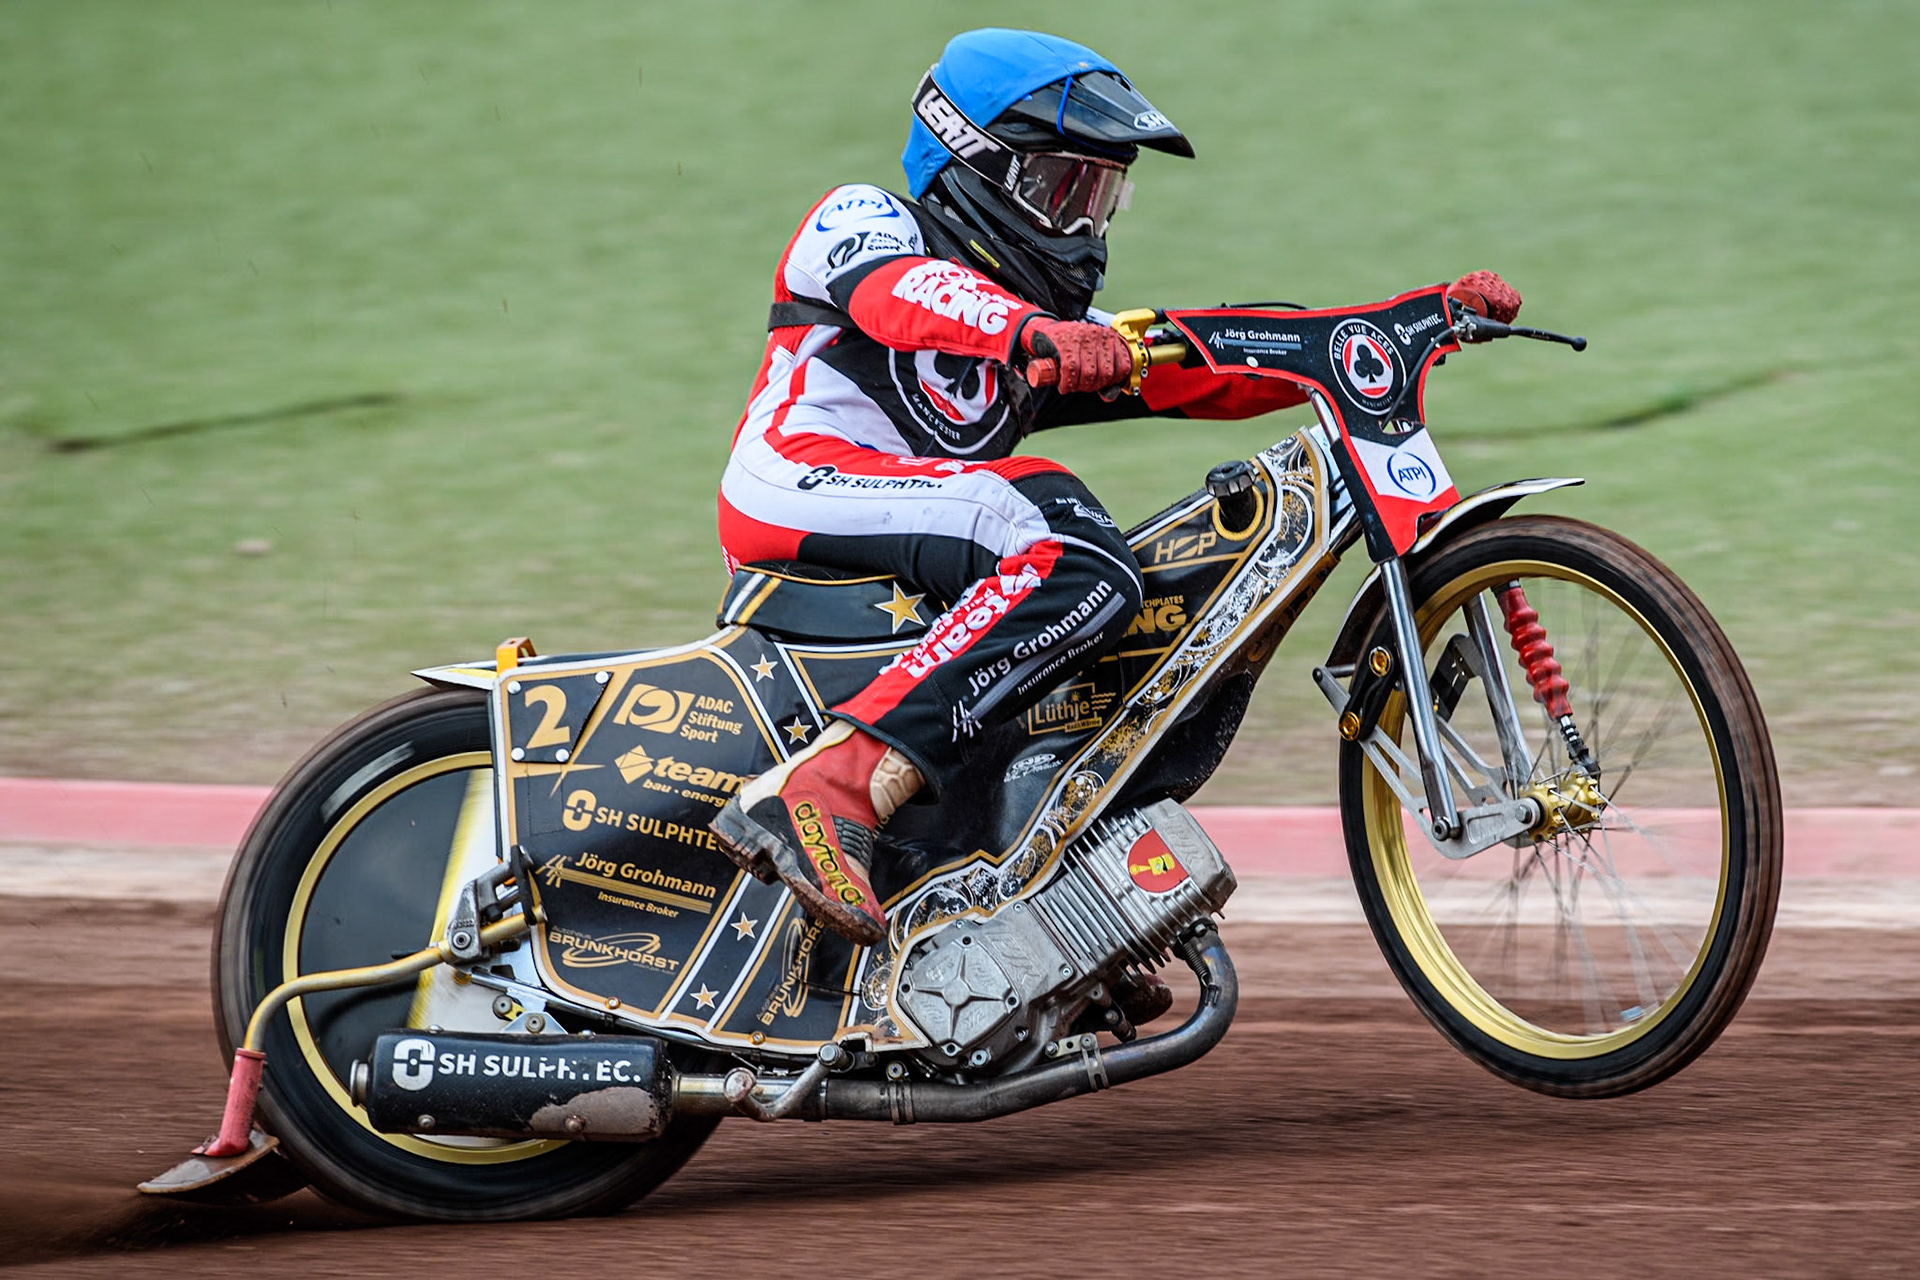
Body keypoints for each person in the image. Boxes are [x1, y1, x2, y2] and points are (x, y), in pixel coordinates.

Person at [710, 28, 1520, 947]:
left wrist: (1396, 324)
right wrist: (1029, 335)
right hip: (795, 485)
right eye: (1063, 191)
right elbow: (903, 293)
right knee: (1068, 539)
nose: (1085, 228)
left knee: (1107, 609)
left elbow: (1212, 360)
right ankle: (829, 788)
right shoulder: (868, 220)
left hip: (922, 521)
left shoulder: (1051, 326)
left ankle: (1040, 890)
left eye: (1102, 198)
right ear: (975, 164)